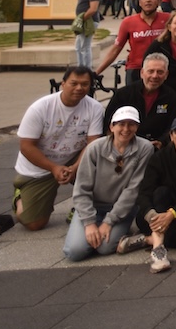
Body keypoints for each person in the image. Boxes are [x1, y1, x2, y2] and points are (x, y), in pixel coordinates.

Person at [118, 113, 176, 273]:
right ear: (171, 135)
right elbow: (144, 192)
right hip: (153, 216)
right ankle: (158, 252)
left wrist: (172, 214)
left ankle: (148, 240)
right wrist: (151, 214)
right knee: (162, 192)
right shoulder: (158, 158)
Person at [13, 66, 104, 231]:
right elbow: (26, 147)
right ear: (63, 84)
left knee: (102, 156)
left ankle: (82, 207)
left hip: (72, 158)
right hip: (41, 166)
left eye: (85, 84)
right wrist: (54, 168)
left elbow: (93, 142)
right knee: (34, 223)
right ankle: (20, 195)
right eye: (73, 83)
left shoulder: (95, 107)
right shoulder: (40, 108)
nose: (79, 88)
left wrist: (76, 168)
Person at [63, 106, 154, 261]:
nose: (126, 129)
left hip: (121, 209)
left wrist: (108, 222)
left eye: (131, 124)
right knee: (74, 252)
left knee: (104, 248)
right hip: (93, 205)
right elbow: (81, 189)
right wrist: (89, 223)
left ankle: (125, 233)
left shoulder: (145, 148)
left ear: (137, 127)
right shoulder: (94, 149)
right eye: (121, 124)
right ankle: (91, 232)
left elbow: (133, 190)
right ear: (112, 126)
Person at [95, 0, 169, 84]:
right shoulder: (128, 22)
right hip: (135, 69)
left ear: (159, 1)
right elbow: (116, 49)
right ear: (140, 2)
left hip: (161, 70)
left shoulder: (168, 20)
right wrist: (96, 72)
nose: (148, 0)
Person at [105, 53, 176, 146]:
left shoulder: (171, 97)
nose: (155, 76)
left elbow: (172, 126)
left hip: (157, 148)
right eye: (150, 71)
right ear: (142, 73)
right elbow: (108, 123)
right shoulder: (123, 94)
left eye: (160, 72)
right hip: (126, 144)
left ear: (166, 75)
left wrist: (161, 141)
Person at [73, 0, 103, 69]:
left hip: (89, 22)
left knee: (85, 46)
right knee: (78, 47)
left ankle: (86, 69)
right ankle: (80, 67)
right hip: (84, 21)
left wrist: (81, 19)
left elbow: (93, 8)